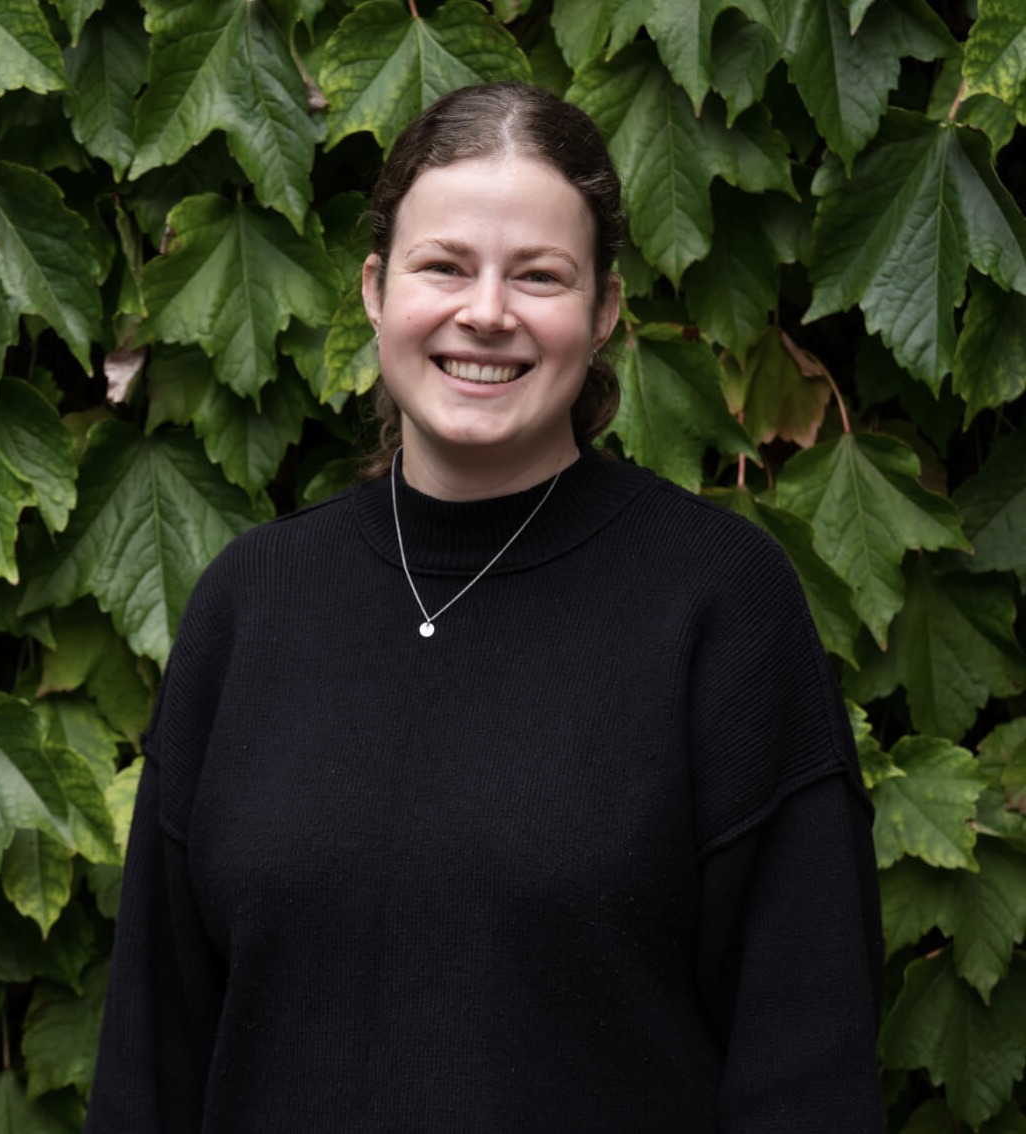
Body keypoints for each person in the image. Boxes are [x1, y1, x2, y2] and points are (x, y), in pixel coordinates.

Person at [86, 83, 884, 1133]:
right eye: (444, 266)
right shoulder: (251, 603)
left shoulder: (720, 606)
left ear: (603, 311)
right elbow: (154, 1050)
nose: (486, 312)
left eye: (539, 276)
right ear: (375, 289)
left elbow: (806, 1066)